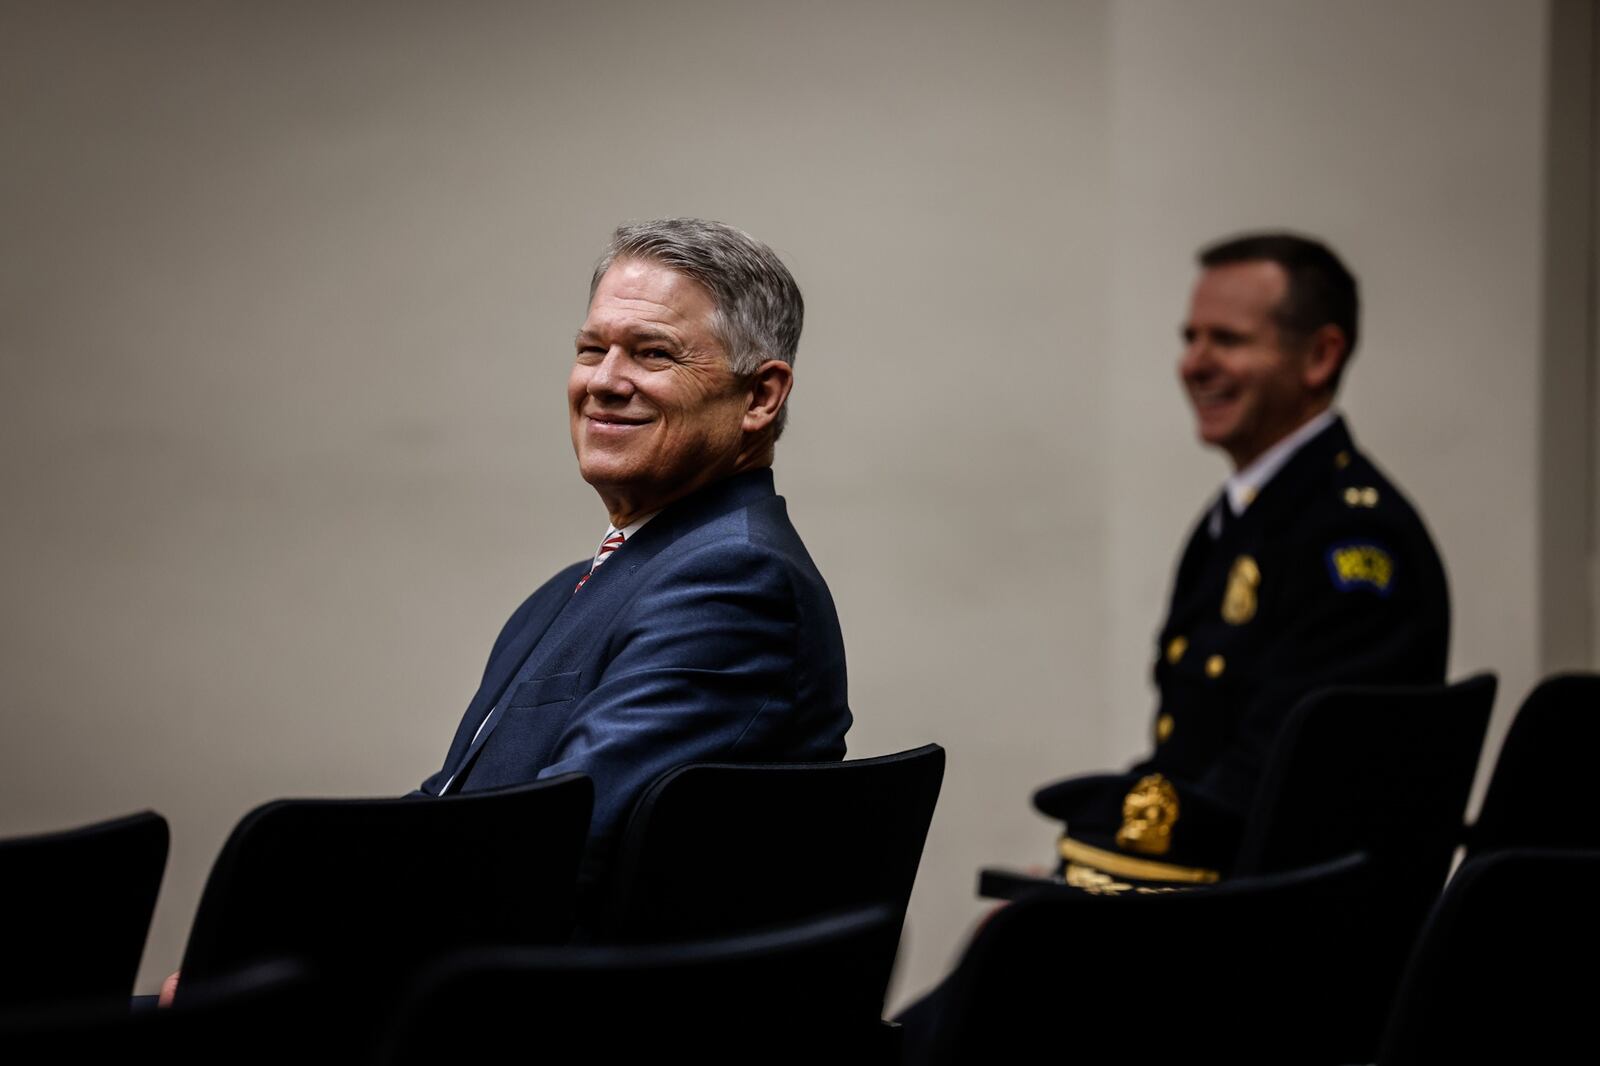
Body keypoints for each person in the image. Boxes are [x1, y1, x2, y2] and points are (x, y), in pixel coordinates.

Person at [417, 218, 852, 883]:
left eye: (652, 353)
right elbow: (445, 808)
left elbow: (549, 843)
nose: (605, 381)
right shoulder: (581, 585)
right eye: (593, 349)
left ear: (760, 396)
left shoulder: (735, 580)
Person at [1034, 231, 1450, 892]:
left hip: (1273, 939)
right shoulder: (1240, 519)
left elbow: (1286, 796)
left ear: (1319, 356)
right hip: (1215, 899)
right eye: (1188, 338)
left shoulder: (1354, 542)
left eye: (1226, 340)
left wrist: (1091, 879)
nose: (1192, 364)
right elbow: (1193, 754)